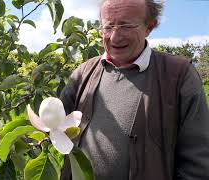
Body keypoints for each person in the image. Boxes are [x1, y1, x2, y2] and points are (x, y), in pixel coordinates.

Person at [60, 0, 209, 179]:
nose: (115, 37)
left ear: (150, 26)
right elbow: (54, 125)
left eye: (126, 26)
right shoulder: (83, 73)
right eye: (108, 26)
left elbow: (197, 161)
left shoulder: (179, 75)